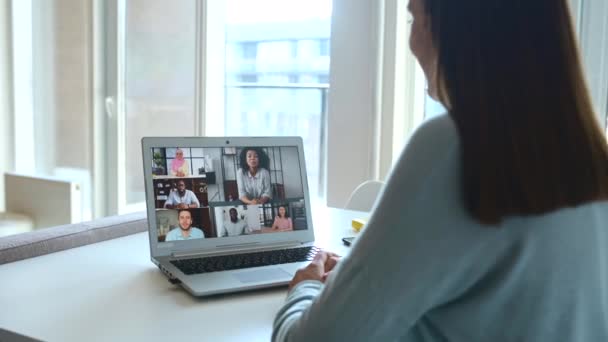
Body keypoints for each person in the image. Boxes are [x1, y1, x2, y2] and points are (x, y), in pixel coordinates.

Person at [272, 0, 608, 341]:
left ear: (449, 29)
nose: (411, 41)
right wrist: (362, 287)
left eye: (413, 19)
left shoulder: (453, 145)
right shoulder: (591, 158)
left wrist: (306, 289)